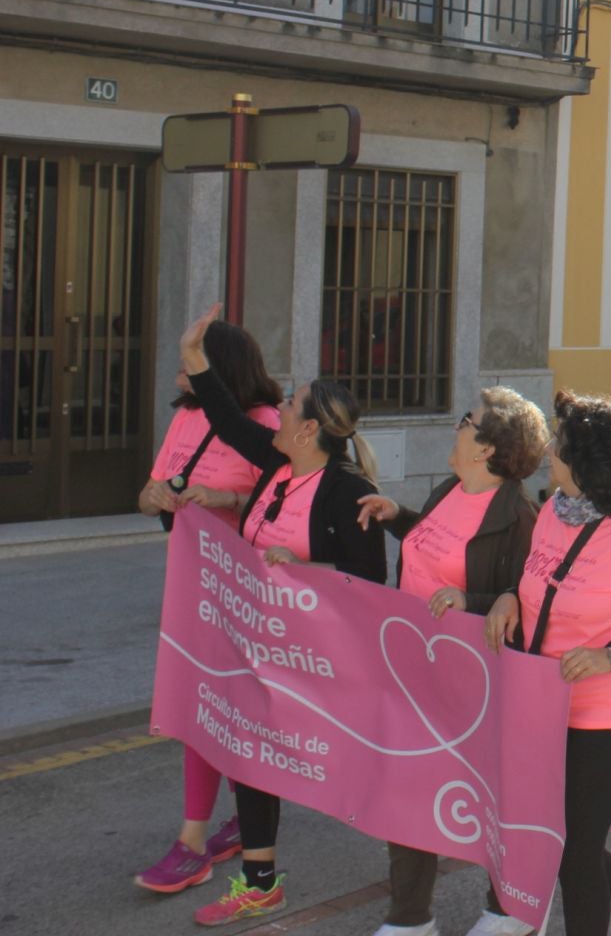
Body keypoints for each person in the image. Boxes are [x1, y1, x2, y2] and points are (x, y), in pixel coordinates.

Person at [171, 306, 386, 928]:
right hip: (260, 642)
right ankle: (261, 882)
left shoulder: (346, 490)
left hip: (313, 657)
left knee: (270, 757)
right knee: (249, 754)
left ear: (311, 428)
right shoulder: (276, 464)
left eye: (291, 405)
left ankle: (418, 880)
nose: (280, 412)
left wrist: (305, 569)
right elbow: (226, 418)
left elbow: (368, 582)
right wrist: (194, 356)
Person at [481, 392, 611, 936]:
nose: (550, 449)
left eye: (562, 444)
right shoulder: (553, 510)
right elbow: (538, 579)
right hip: (544, 701)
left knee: (574, 848)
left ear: (589, 460)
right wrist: (508, 594)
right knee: (564, 834)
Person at [355, 389, 549, 936]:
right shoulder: (449, 490)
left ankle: (509, 909)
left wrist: (475, 603)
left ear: (487, 448)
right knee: (407, 787)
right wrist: (399, 516)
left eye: (468, 420)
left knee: (491, 798)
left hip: (478, 684)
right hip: (416, 670)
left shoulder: (519, 516)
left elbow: (530, 601)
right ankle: (411, 919)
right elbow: (438, 546)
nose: (458, 425)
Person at [134, 321, 282, 897]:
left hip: (247, 592)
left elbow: (284, 502)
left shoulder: (266, 425)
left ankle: (193, 844)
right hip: (192, 585)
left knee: (223, 706)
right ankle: (242, 823)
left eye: (190, 358)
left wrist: (227, 498)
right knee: (212, 703)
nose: (176, 370)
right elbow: (149, 490)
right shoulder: (185, 416)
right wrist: (153, 498)